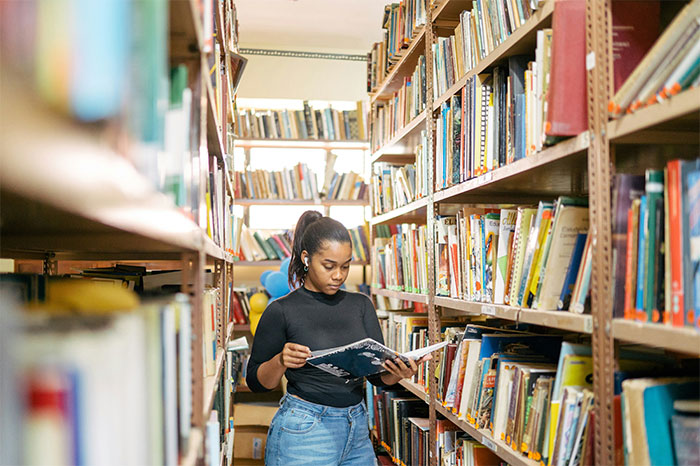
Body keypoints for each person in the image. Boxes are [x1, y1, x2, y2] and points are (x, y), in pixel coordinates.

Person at [246, 211, 428, 465]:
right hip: (305, 430)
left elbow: (378, 377)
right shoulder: (281, 310)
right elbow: (256, 382)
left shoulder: (361, 305)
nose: (338, 275)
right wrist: (280, 360)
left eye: (345, 266)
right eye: (329, 266)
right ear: (306, 259)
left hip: (357, 429)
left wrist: (399, 371)